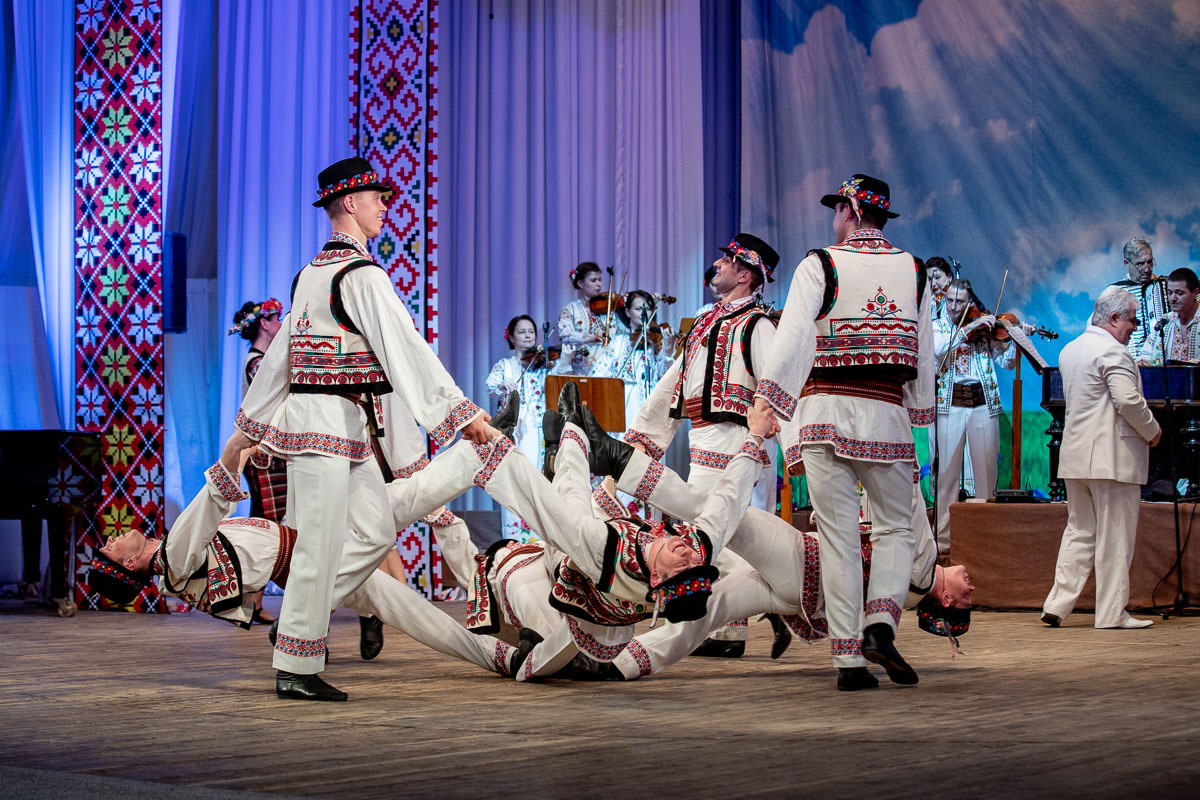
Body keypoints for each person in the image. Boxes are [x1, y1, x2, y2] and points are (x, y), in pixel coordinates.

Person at [234, 156, 491, 701]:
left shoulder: (313, 273)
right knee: (318, 545)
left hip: (349, 426)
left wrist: (252, 423)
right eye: (376, 198)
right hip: (320, 424)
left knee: (374, 534)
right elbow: (404, 348)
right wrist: (460, 414)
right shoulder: (358, 275)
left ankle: (301, 618)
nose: (384, 207)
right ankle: (295, 664)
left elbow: (284, 354)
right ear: (349, 203)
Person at [87, 434, 533, 685]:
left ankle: (505, 658)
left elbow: (218, 506)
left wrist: (245, 452)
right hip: (310, 565)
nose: (111, 538)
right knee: (396, 522)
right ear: (130, 565)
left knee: (401, 524)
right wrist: (233, 451)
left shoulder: (173, 559)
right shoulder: (175, 559)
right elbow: (210, 503)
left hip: (310, 547)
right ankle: (475, 455)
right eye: (109, 549)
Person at [752, 174, 935, 690]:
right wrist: (921, 415)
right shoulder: (914, 269)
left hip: (823, 414)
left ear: (851, 209)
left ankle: (848, 662)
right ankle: (881, 624)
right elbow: (923, 352)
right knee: (895, 528)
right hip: (885, 414)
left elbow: (791, 339)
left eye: (838, 208)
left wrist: (768, 403)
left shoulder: (820, 263)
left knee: (837, 537)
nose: (834, 217)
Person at [621, 234, 781, 656]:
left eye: (727, 260)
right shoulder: (707, 321)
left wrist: (784, 440)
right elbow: (674, 380)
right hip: (704, 437)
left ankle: (741, 623)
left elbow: (775, 385)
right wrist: (645, 435)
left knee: (726, 532)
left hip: (738, 438)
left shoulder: (757, 324)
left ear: (745, 275)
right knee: (711, 531)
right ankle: (738, 621)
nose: (717, 264)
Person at [1041, 287, 1161, 629]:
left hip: (1076, 456)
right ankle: (1111, 613)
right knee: (1115, 536)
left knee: (1079, 530)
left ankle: (1057, 604)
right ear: (1113, 318)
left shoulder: (1070, 350)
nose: (1135, 327)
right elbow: (1128, 401)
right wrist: (1152, 430)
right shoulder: (1114, 352)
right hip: (1111, 458)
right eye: (1132, 320)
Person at [933, 278, 1036, 551]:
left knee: (986, 477)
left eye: (960, 302)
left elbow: (1005, 362)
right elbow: (939, 348)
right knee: (946, 477)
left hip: (982, 404)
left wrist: (1017, 340)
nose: (954, 307)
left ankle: (985, 541)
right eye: (950, 301)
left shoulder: (985, 328)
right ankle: (943, 543)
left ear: (970, 303)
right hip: (950, 406)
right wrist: (970, 327)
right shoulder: (937, 326)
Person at [229, 297, 286, 624]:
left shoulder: (259, 362)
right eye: (276, 319)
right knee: (268, 526)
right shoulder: (258, 364)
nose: (279, 324)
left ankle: (251, 600)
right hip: (262, 456)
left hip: (268, 455)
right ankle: (248, 599)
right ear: (264, 323)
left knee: (267, 525)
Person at [486, 315, 548, 540]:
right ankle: (515, 539)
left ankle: (540, 539)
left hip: (538, 429)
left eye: (531, 331)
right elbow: (490, 385)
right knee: (515, 481)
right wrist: (503, 384)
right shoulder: (505, 365)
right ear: (511, 337)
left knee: (538, 481)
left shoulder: (542, 365)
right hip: (515, 430)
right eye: (522, 332)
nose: (528, 335)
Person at [594, 290, 676, 429]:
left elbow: (666, 375)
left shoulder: (655, 343)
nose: (643, 313)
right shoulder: (618, 342)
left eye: (648, 309)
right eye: (638, 309)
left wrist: (668, 349)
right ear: (628, 312)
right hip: (621, 405)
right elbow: (599, 375)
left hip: (648, 405)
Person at [1106, 237, 1166, 357]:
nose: (1147, 269)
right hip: (1130, 360)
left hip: (1163, 359)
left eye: (1150, 262)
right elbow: (1099, 330)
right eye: (1140, 264)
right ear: (1126, 263)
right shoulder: (1113, 292)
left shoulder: (1165, 285)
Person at [556, 262, 613, 374]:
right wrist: (589, 338)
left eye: (600, 279)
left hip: (605, 368)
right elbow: (565, 335)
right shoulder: (570, 309)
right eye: (593, 280)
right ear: (580, 283)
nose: (599, 284)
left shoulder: (607, 309)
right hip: (580, 368)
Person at [1138, 267, 1200, 365]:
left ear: (1195, 292)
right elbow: (1145, 355)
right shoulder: (1165, 321)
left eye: (1179, 293)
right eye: (1170, 293)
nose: (1172, 298)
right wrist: (1142, 363)